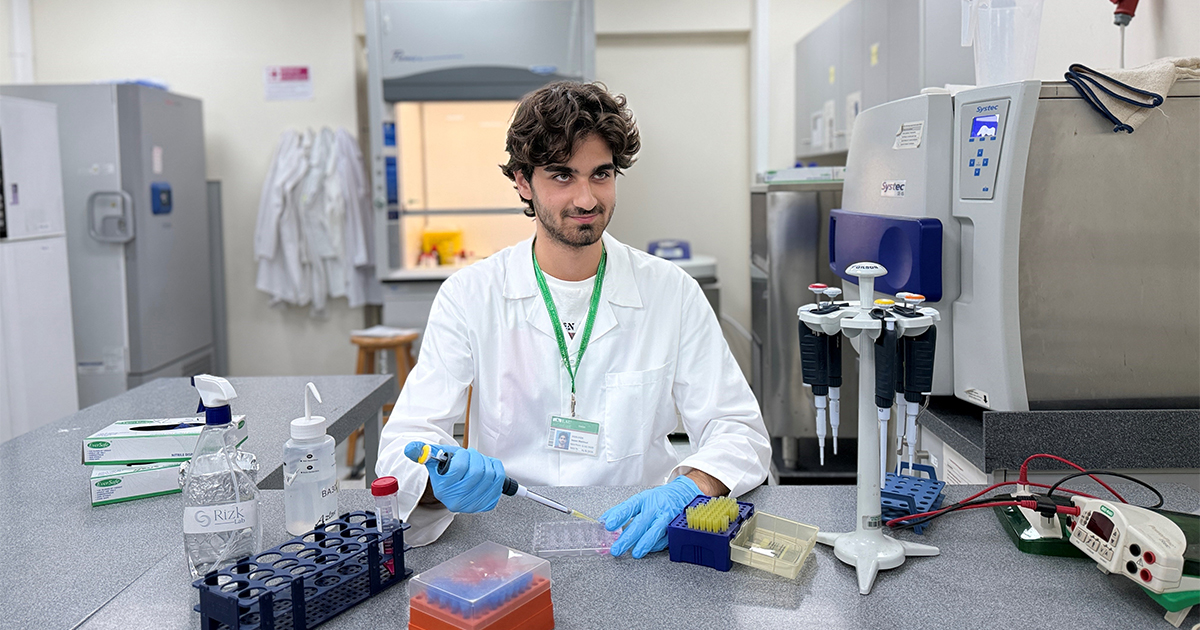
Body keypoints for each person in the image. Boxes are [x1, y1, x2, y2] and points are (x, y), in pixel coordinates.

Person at [376, 81, 770, 557]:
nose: (586, 199)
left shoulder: (671, 292)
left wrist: (692, 486)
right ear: (523, 181)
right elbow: (404, 444)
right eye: (562, 175)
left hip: (637, 539)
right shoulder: (471, 295)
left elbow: (738, 429)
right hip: (505, 543)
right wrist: (440, 484)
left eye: (601, 174)